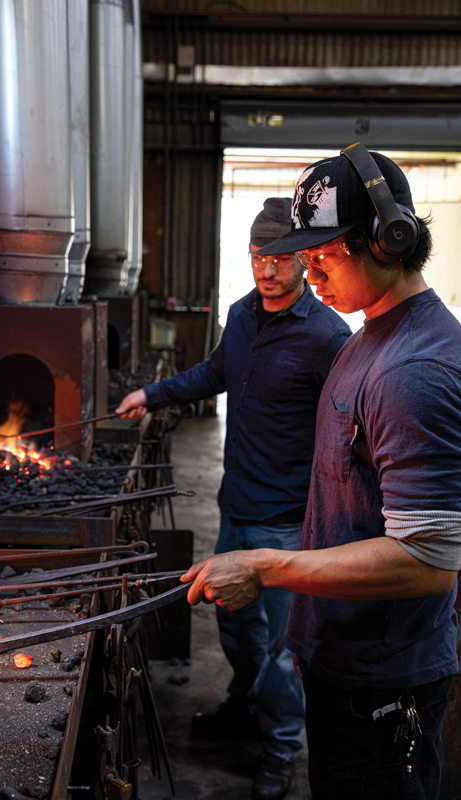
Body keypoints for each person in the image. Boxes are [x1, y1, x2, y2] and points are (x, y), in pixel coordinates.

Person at [181, 144, 461, 800]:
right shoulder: (370, 333)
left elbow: (430, 559)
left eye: (322, 252)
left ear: (386, 241)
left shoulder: (410, 371)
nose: (305, 266)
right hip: (344, 657)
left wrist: (263, 565)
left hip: (384, 680)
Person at [117, 197, 351, 800]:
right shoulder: (242, 315)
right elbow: (214, 374)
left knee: (277, 649)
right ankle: (246, 708)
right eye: (255, 256)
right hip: (236, 506)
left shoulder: (328, 335)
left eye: (277, 258)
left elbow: (354, 427)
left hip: (284, 523)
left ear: (302, 259)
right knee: (233, 627)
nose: (265, 270)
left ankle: (280, 747)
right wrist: (152, 392)